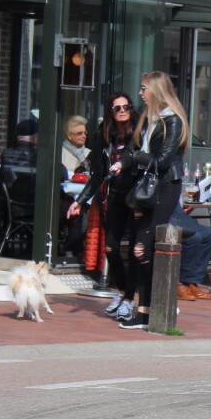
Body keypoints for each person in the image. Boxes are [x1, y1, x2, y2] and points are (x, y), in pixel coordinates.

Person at [113, 71, 188, 330]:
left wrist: (133, 159)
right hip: (145, 188)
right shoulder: (148, 120)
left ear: (156, 90)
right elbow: (134, 148)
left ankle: (156, 305)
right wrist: (123, 161)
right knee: (139, 248)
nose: (141, 93)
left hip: (165, 187)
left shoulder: (173, 121)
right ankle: (146, 309)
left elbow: (162, 161)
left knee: (142, 247)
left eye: (144, 88)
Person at [68, 95, 135, 312]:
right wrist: (80, 200)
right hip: (114, 196)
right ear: (110, 112)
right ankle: (124, 294)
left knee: (138, 250)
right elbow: (97, 175)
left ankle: (133, 299)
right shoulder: (104, 135)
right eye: (117, 108)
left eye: (126, 106)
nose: (122, 110)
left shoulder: (139, 132)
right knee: (111, 248)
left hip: (136, 198)